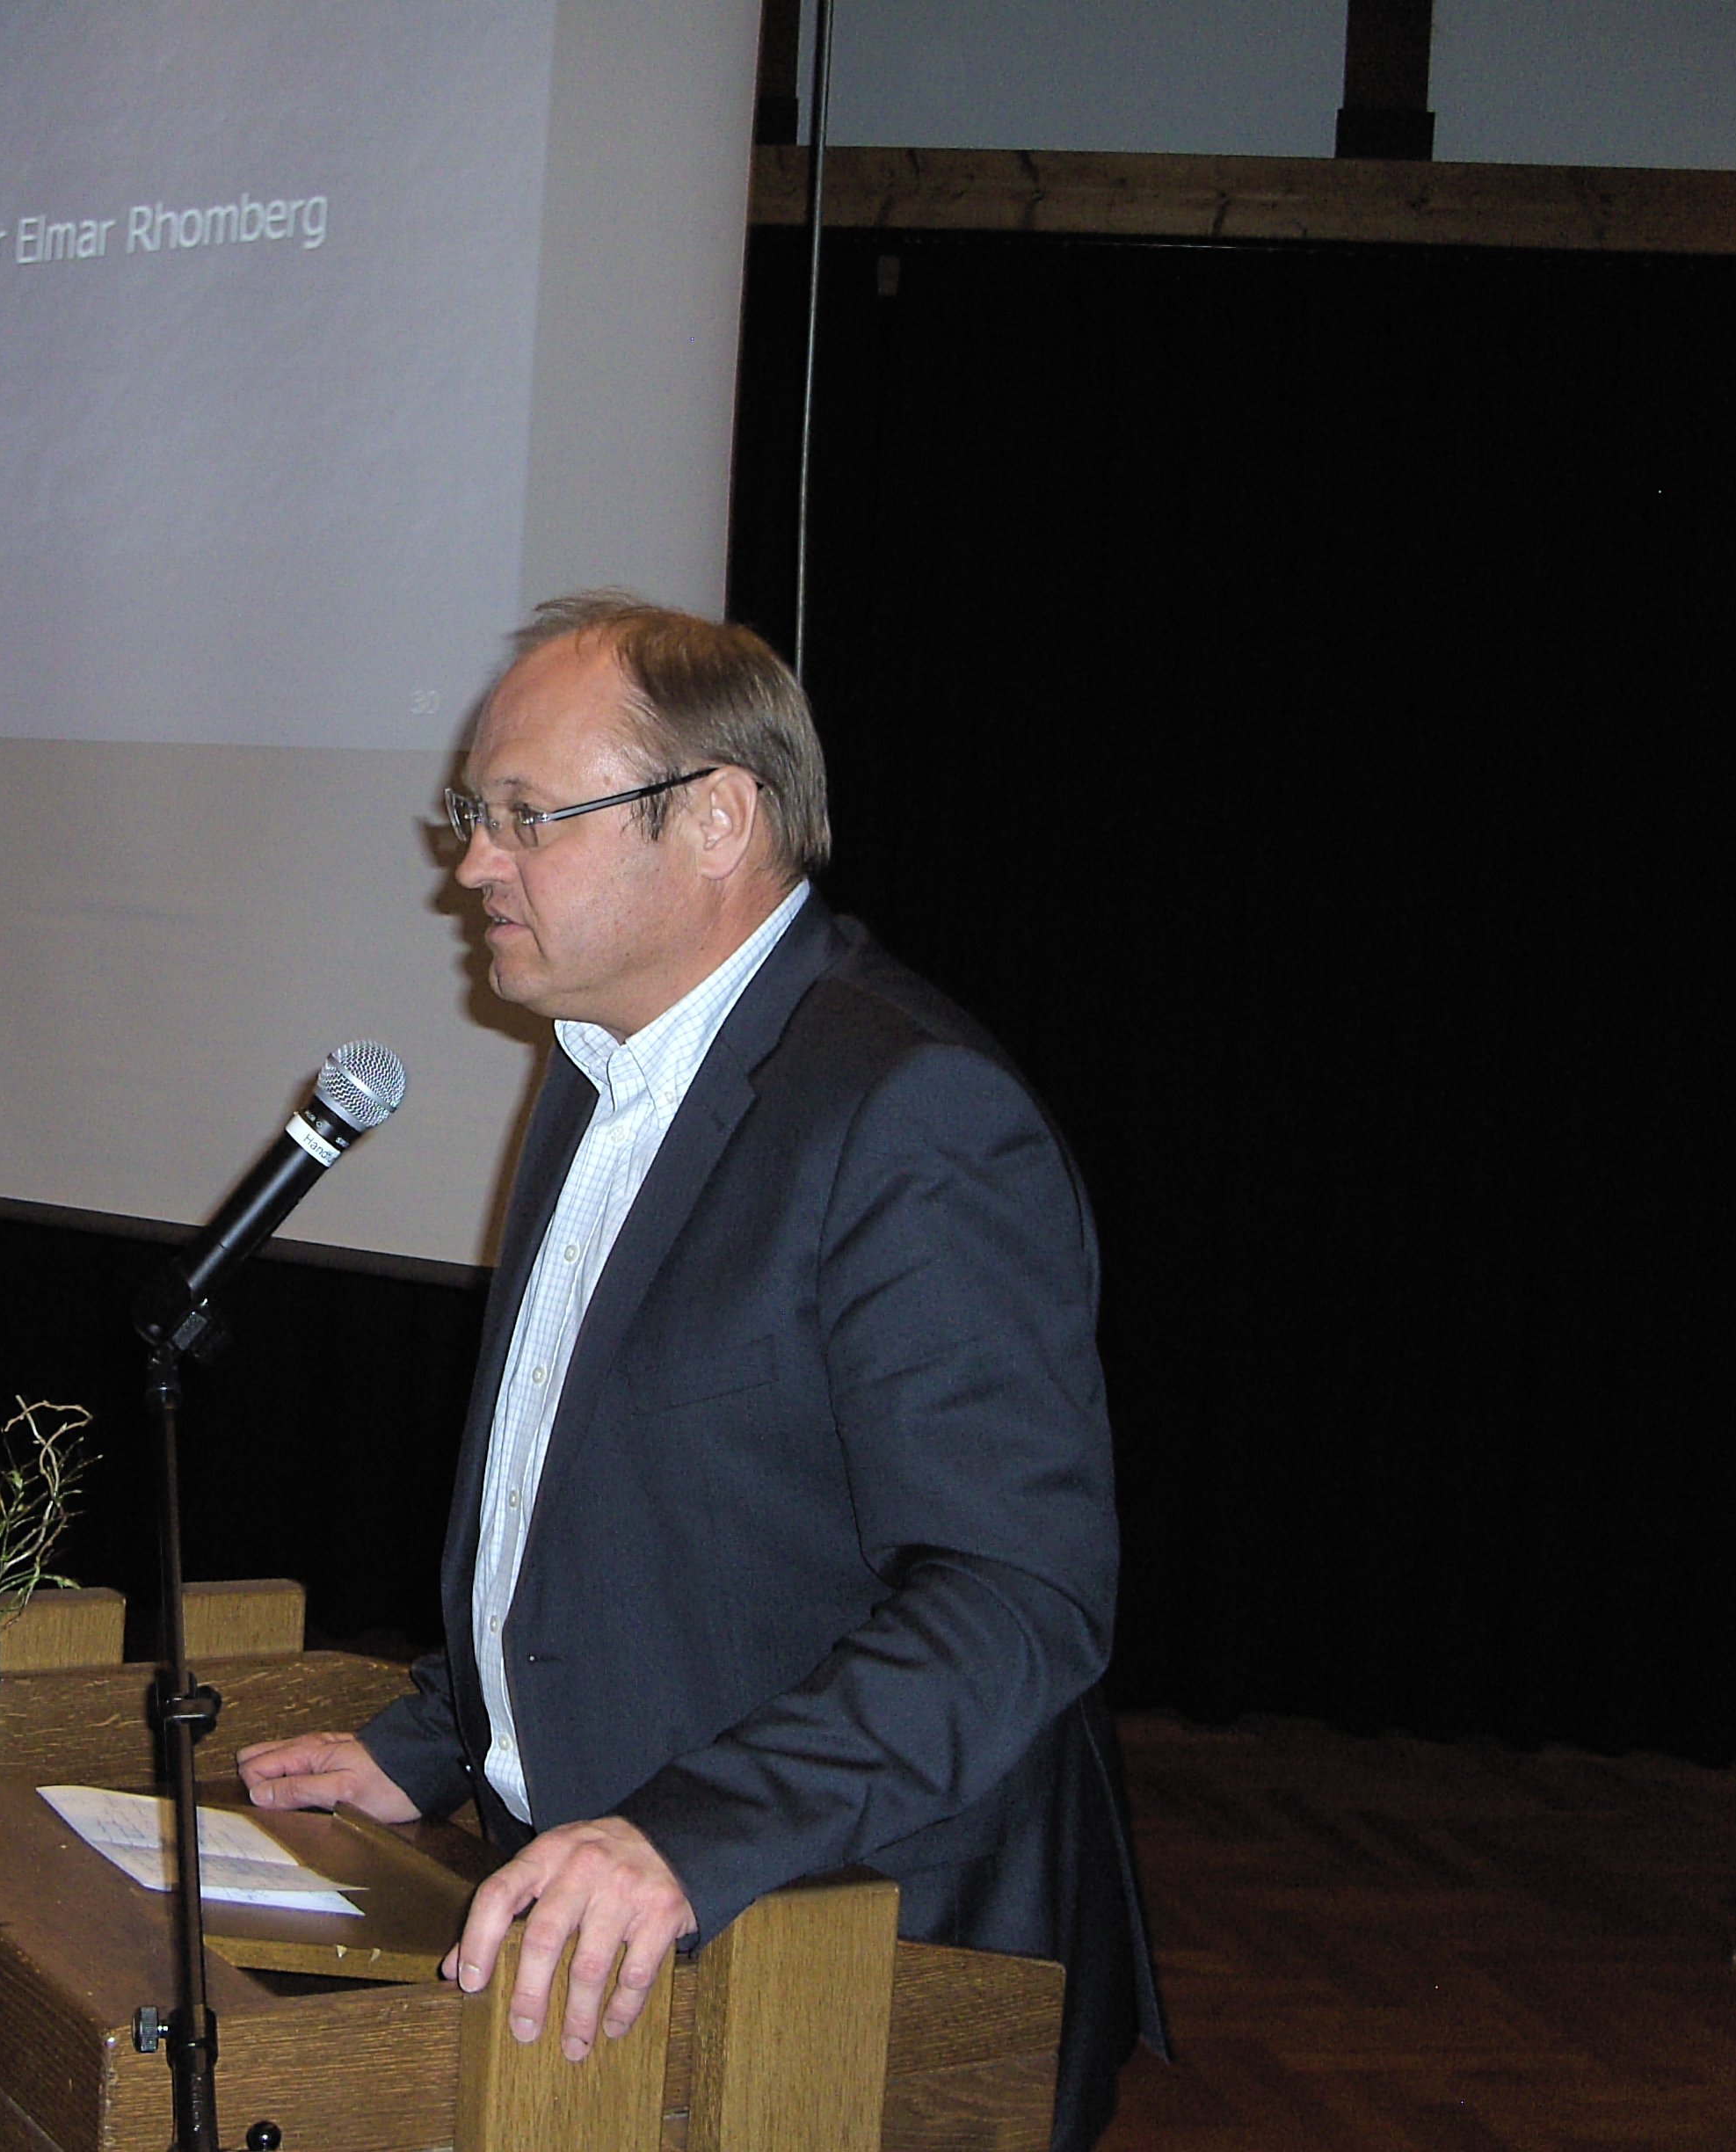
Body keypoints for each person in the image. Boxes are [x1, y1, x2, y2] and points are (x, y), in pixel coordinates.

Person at [237, 594, 1163, 2149]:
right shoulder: (601, 1068)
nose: (474, 866)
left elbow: (1015, 1594)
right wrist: (444, 1737)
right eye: (474, 817)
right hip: (619, 1933)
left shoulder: (910, 1112)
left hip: (848, 1955)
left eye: (526, 816)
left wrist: (688, 1835)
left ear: (717, 818)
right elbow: (619, 1500)